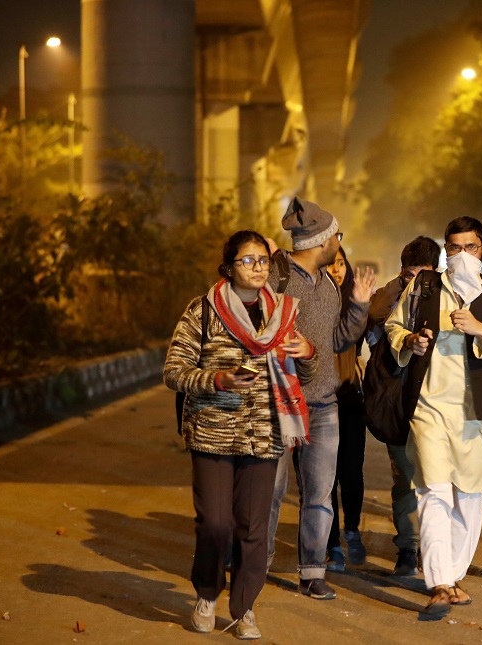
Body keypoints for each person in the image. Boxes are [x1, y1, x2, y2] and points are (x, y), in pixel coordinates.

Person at [164, 230, 317, 640]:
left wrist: (307, 355)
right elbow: (173, 370)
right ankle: (207, 595)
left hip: (265, 435)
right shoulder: (202, 312)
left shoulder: (282, 315)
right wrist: (218, 379)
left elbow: (303, 376)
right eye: (248, 260)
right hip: (212, 432)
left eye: (263, 260)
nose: (258, 267)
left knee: (254, 528)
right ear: (228, 267)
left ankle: (245, 607)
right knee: (215, 523)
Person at [383, 216, 482, 617]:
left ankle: (454, 575)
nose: (461, 255)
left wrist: (481, 329)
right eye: (453, 248)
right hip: (430, 410)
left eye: (469, 247)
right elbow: (394, 327)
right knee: (433, 491)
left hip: (477, 416)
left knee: (468, 498)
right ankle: (440, 582)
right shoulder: (425, 286)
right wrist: (409, 340)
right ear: (445, 250)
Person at [265, 197, 375, 601]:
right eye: (336, 236)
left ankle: (312, 571)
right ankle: (256, 565)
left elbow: (338, 341)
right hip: (280, 403)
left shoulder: (328, 282)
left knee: (320, 494)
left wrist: (359, 304)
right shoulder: (276, 278)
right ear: (321, 240)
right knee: (271, 492)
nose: (339, 243)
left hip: (324, 404)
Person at [365, 235, 441, 576]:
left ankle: (436, 550)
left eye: (426, 275)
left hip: (436, 398)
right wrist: (399, 291)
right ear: (402, 271)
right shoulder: (389, 296)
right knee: (405, 479)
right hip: (396, 396)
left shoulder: (447, 295)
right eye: (412, 275)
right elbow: (371, 321)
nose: (418, 283)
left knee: (437, 480)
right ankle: (407, 550)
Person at [324, 246, 367, 572]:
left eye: (341, 264)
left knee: (351, 473)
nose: (337, 269)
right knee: (324, 478)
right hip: (319, 397)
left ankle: (351, 530)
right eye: (332, 263)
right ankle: (331, 545)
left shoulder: (357, 303)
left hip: (350, 397)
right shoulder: (314, 303)